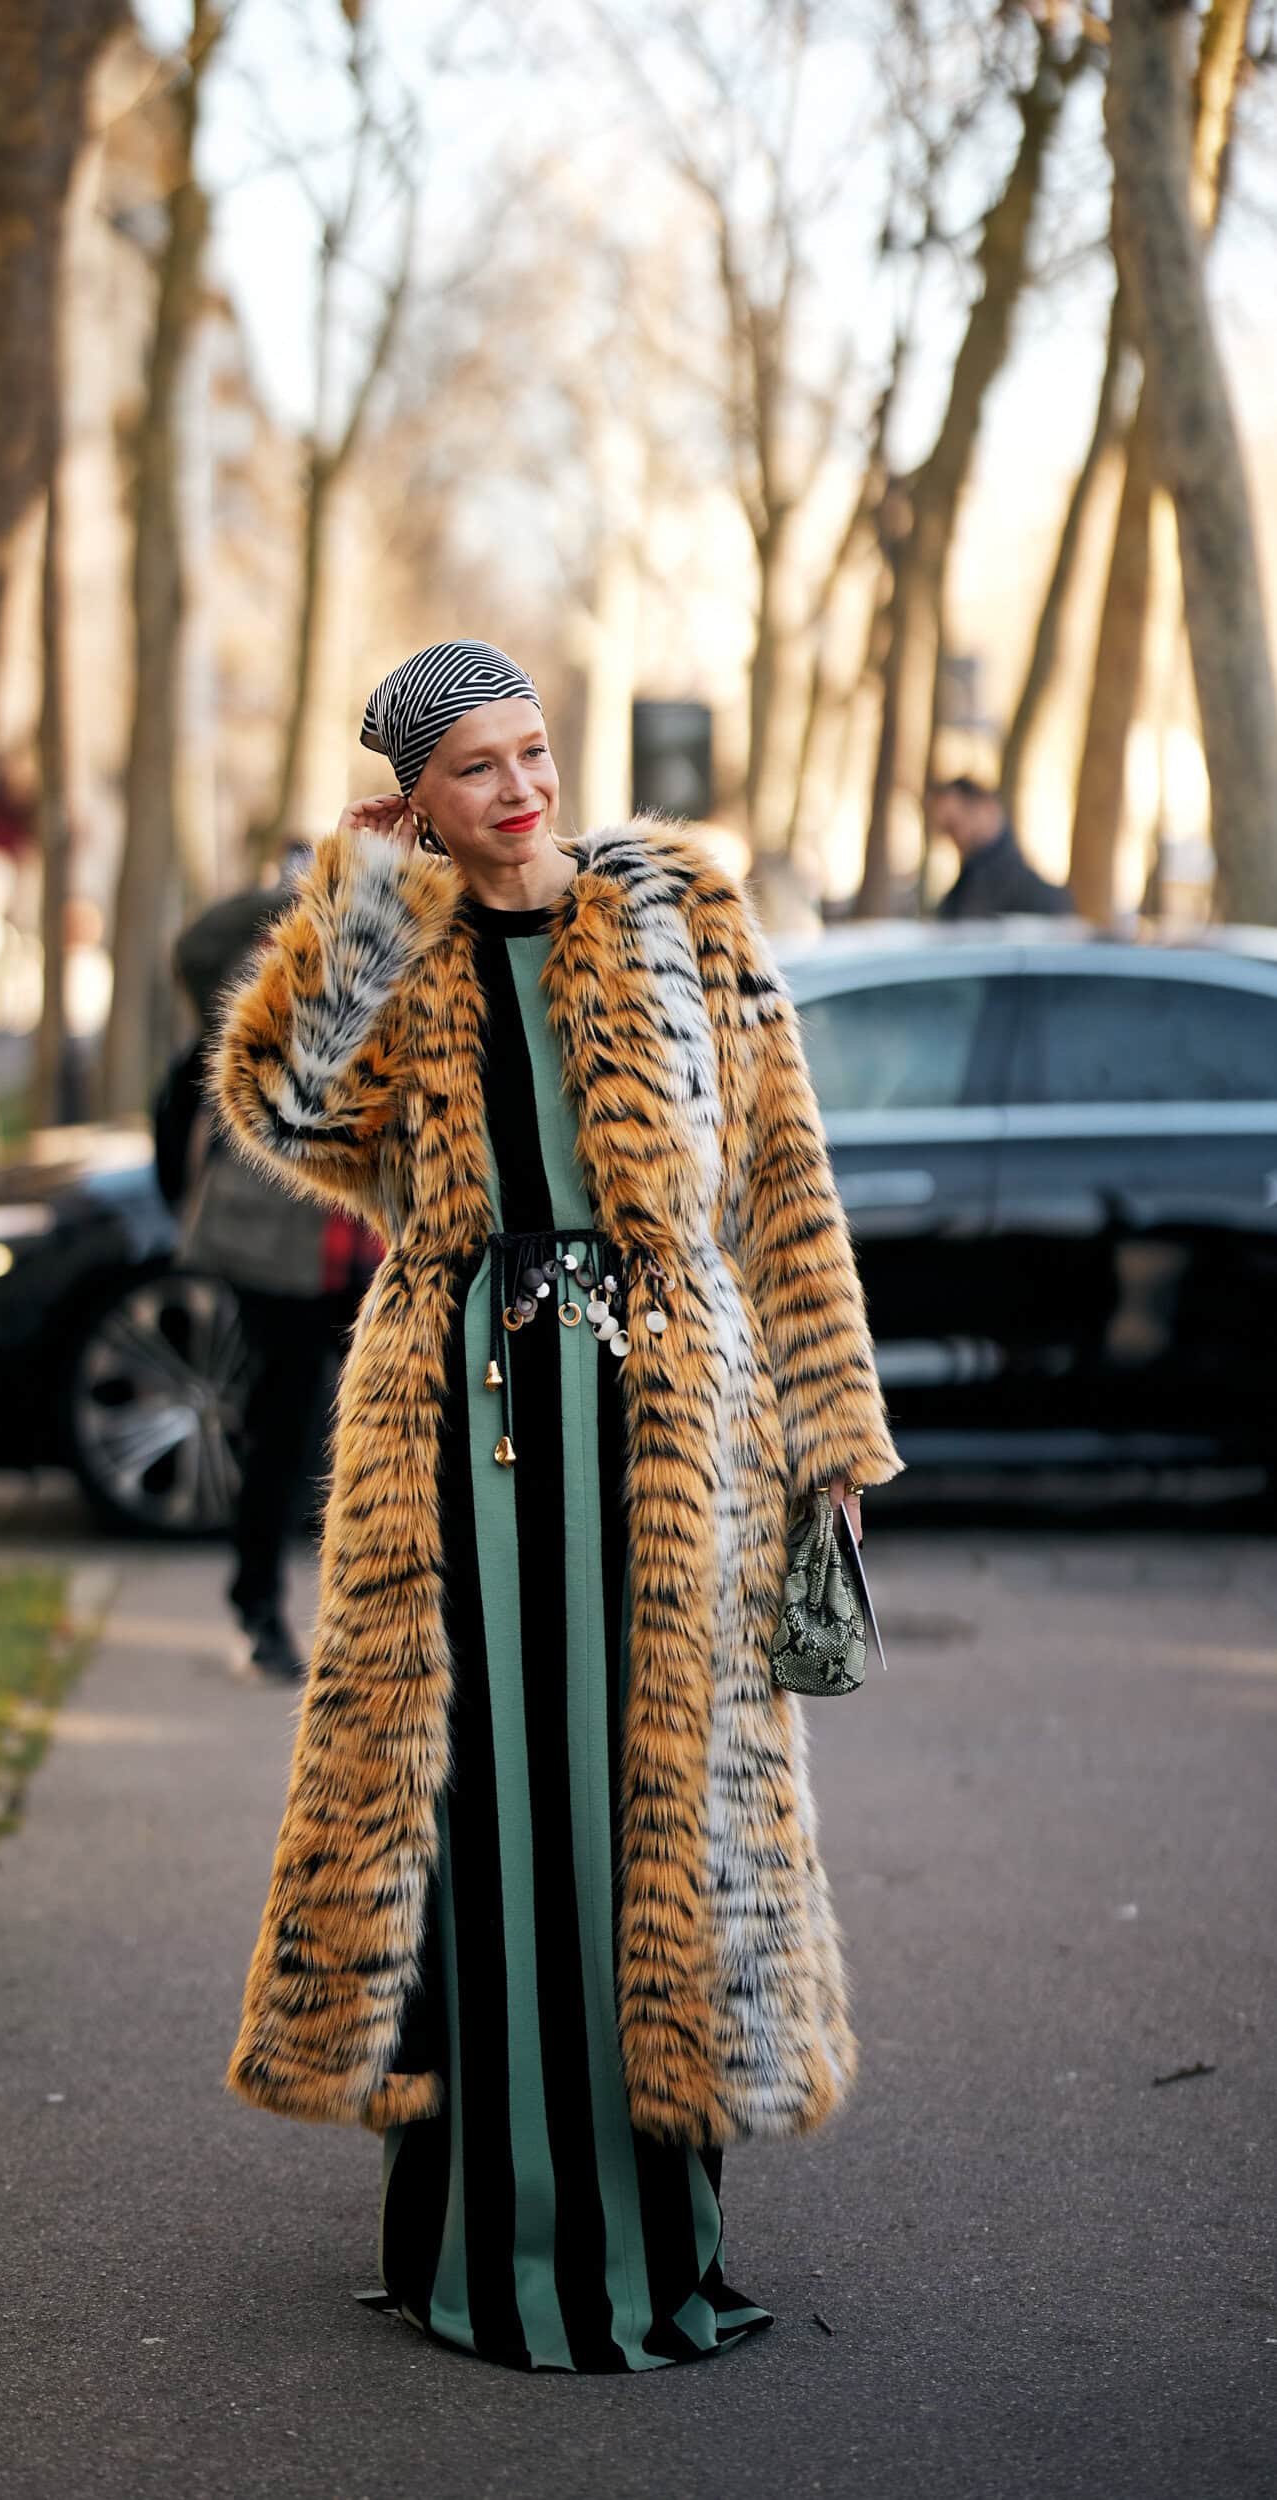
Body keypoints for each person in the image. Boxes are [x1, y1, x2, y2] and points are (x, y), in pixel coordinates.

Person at [213, 639, 901, 2373]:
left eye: (532, 754)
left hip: (670, 1442)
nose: (521, 792)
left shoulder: (684, 918)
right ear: (419, 803)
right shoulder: (411, 943)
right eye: (475, 771)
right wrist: (360, 895)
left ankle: (650, 2240)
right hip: (452, 1438)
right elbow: (283, 1107)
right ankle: (472, 2232)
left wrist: (830, 1434)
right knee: (475, 1813)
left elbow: (781, 1180)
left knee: (651, 1814)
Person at [156, 852, 382, 1683]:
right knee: (281, 1430)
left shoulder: (397, 967)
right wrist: (299, 890)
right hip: (279, 1255)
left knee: (379, 1439)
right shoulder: (262, 979)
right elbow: (181, 1095)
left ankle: (369, 1626)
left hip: (374, 1246)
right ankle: (259, 1611)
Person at [930, 775, 1074, 919]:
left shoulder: (1042, 898)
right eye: (946, 830)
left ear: (987, 808)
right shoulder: (963, 888)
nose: (954, 837)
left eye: (954, 825)